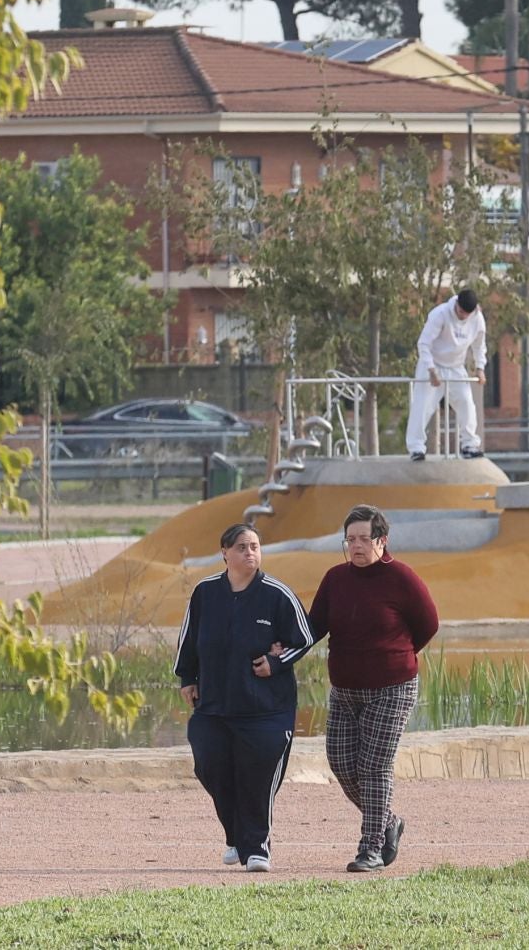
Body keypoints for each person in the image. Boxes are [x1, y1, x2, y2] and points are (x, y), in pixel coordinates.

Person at [283, 504, 439, 873]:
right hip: (345, 689)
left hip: (393, 686)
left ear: (382, 542)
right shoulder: (336, 578)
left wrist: (397, 654)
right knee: (340, 761)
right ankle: (388, 822)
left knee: (374, 766)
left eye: (363, 539)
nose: (356, 546)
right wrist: (281, 649)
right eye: (350, 540)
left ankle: (370, 848)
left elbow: (428, 623)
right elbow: (314, 626)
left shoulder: (402, 578)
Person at [173, 523, 314, 873]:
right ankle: (236, 835)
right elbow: (189, 638)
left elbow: (304, 638)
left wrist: (275, 661)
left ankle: (257, 848)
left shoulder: (277, 594)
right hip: (214, 706)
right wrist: (188, 678)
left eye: (254, 546)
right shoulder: (205, 592)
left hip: (267, 709)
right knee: (209, 765)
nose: (249, 553)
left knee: (259, 775)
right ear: (224, 552)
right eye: (241, 547)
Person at [406, 288, 487, 462]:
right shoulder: (440, 314)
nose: (463, 316)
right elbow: (424, 343)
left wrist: (480, 368)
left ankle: (469, 445)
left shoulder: (477, 319)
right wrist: (431, 370)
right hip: (432, 364)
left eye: (466, 314)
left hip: (456, 367)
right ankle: (416, 448)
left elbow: (479, 346)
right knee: (422, 405)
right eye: (460, 312)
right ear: (456, 304)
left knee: (466, 403)